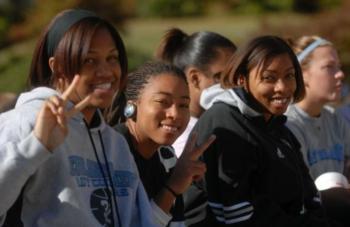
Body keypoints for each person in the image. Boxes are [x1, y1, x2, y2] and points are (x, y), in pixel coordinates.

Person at [0, 9, 158, 227]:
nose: (106, 71)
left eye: (112, 58)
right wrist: (35, 147)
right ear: (56, 66)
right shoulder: (23, 122)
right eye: (89, 60)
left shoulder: (116, 143)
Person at [193, 35, 341, 226]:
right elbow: (240, 215)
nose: (282, 87)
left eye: (289, 76)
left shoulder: (277, 126)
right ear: (241, 78)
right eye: (269, 78)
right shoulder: (224, 121)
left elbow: (309, 196)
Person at [104, 61, 215, 226]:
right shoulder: (108, 150)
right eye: (163, 102)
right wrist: (172, 188)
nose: (175, 114)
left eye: (184, 105)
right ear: (132, 105)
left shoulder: (166, 156)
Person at [285, 36, 350, 225]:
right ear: (302, 74)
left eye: (339, 67)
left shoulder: (335, 119)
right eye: (329, 67)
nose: (340, 74)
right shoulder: (288, 124)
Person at [155, 28, 236, 157]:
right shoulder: (184, 137)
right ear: (195, 79)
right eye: (223, 77)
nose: (234, 85)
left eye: (236, 76)